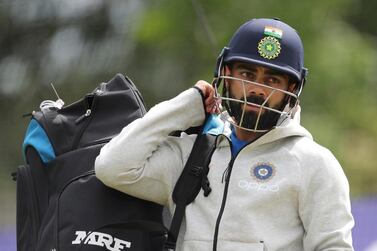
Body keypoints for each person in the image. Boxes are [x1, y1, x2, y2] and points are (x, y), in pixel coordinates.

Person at [95, 18, 354, 250]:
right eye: (247, 74)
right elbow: (112, 167)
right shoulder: (193, 153)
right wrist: (184, 108)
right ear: (226, 75)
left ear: (293, 88)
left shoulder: (314, 164)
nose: (257, 90)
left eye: (273, 80)